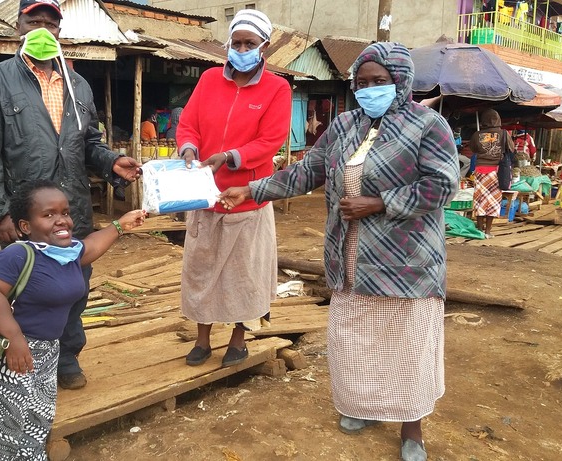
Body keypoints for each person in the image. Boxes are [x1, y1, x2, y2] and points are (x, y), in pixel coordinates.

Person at [218, 42, 459, 461]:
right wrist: (252, 190)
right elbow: (307, 171)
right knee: (357, 341)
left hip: (407, 260)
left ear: (399, 81)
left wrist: (380, 202)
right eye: (361, 83)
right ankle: (364, 408)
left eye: (379, 82)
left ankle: (411, 427)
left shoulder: (427, 124)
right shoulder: (345, 124)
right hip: (349, 256)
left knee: (407, 345)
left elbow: (442, 185)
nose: (368, 89)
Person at [0, 0, 142, 392]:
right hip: (23, 213)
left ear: (60, 31)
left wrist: (112, 162)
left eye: (51, 23)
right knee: (23, 288)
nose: (43, 29)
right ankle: (15, 356)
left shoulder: (78, 85)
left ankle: (66, 357)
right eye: (34, 21)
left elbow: (89, 143)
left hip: (70, 209)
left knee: (73, 285)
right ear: (18, 26)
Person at [0, 179, 146, 460]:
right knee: (7, 426)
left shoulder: (64, 253)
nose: (61, 220)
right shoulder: (18, 254)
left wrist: (119, 225)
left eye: (64, 212)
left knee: (38, 418)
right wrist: (14, 339)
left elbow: (90, 248)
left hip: (48, 351)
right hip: (13, 353)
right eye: (48, 214)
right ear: (26, 226)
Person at [177, 8, 291, 368]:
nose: (241, 48)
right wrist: (190, 149)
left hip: (247, 199)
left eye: (249, 43)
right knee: (201, 270)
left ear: (264, 48)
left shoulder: (277, 88)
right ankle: (202, 339)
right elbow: (189, 124)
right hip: (204, 196)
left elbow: (270, 141)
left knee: (244, 275)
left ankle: (238, 341)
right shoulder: (210, 79)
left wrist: (228, 156)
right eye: (236, 42)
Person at [470, 109, 513, 237]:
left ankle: (479, 230)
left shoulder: (477, 135)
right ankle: (488, 231)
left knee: (480, 200)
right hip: (496, 171)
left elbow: (473, 149)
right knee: (494, 200)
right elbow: (511, 148)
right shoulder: (504, 133)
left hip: (480, 171)